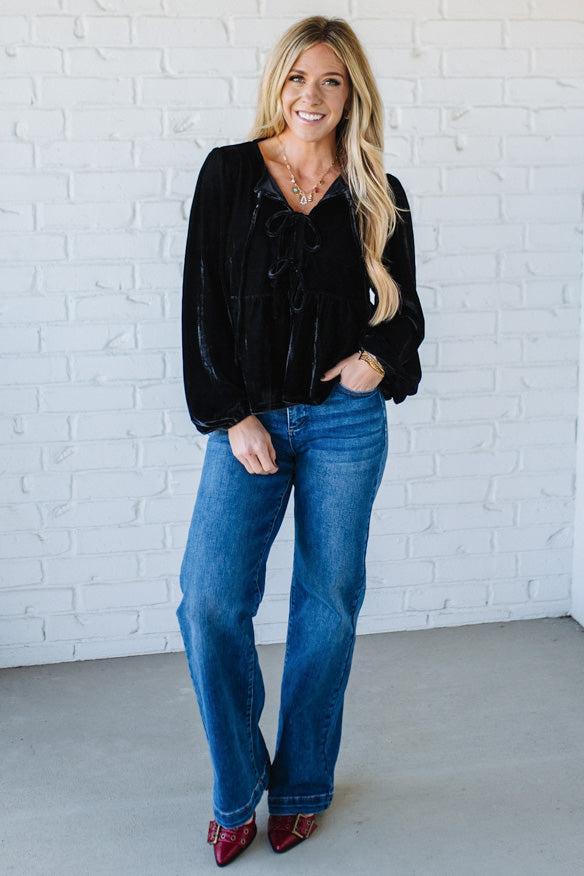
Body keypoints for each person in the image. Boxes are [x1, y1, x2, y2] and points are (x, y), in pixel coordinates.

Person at [176, 15, 425, 867]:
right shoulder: (229, 174)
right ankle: (236, 785)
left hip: (346, 425)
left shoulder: (378, 191)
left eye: (331, 81)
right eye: (297, 77)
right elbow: (200, 305)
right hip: (249, 420)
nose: (311, 96)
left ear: (353, 94)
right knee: (209, 601)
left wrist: (374, 360)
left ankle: (303, 787)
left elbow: (406, 317)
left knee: (328, 603)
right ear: (277, 83)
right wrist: (231, 416)